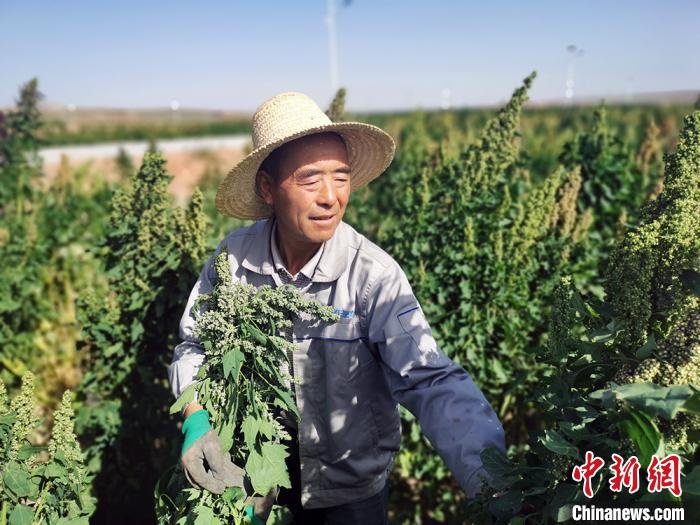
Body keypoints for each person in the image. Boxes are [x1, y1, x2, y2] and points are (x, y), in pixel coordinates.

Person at [168, 91, 507, 524]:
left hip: (349, 494)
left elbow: (430, 379)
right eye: (311, 180)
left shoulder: (372, 276)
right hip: (256, 479)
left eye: (341, 177)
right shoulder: (234, 262)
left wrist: (494, 481)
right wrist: (196, 418)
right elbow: (195, 345)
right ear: (268, 188)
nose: (331, 196)